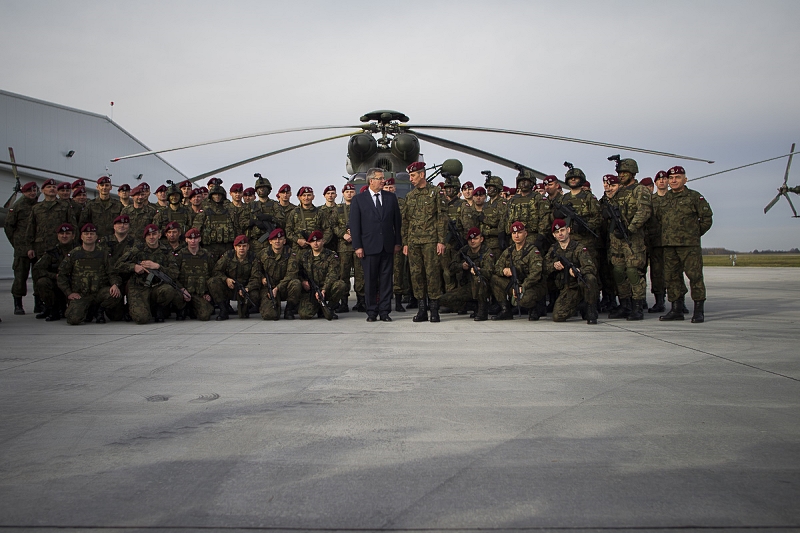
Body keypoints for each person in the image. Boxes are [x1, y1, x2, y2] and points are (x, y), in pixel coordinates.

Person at [659, 166, 713, 323]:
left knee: (695, 276)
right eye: (671, 178)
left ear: (685, 179)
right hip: (669, 245)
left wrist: (694, 234)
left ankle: (698, 310)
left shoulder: (694, 197)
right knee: (672, 277)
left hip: (689, 246)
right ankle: (676, 309)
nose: (673, 180)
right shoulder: (665, 199)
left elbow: (707, 218)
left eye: (677, 177)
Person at [349, 168, 402, 322]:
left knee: (386, 281)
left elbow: (397, 223)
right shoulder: (359, 200)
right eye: (380, 178)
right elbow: (355, 225)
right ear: (371, 181)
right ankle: (371, 311)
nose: (383, 181)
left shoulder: (390, 198)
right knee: (371, 281)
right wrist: (357, 246)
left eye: (383, 178)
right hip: (368, 247)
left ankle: (385, 311)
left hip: (387, 246)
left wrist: (397, 242)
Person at [402, 162, 448, 323]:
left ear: (422, 174)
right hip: (414, 242)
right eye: (410, 175)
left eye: (413, 175)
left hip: (430, 241)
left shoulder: (435, 193)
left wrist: (441, 241)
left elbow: (442, 218)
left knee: (432, 274)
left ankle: (434, 310)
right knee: (416, 275)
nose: (411, 179)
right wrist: (405, 243)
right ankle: (421, 309)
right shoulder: (410, 196)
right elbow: (405, 221)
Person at [116, 224, 185, 324]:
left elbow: (174, 273)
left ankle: (159, 308)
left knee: (168, 290)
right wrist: (134, 267)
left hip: (157, 286)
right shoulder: (137, 249)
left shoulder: (166, 251)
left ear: (159, 235)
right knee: (142, 319)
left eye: (154, 234)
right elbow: (118, 265)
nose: (151, 237)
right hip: (139, 287)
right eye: (148, 234)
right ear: (145, 237)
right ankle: (133, 307)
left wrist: (158, 266)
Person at [58, 223, 122, 325]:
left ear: (96, 237)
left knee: (115, 295)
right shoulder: (74, 254)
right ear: (81, 236)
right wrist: (69, 293)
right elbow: (62, 275)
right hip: (81, 295)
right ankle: (88, 311)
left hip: (99, 293)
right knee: (73, 319)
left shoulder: (103, 253)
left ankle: (99, 310)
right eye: (86, 234)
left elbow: (112, 272)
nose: (89, 236)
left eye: (92, 234)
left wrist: (115, 284)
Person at [544, 219, 599, 324]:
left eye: (562, 230)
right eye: (557, 232)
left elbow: (591, 267)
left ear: (568, 230)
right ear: (554, 235)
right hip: (567, 288)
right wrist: (553, 266)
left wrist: (579, 270)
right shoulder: (553, 249)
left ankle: (590, 308)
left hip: (579, 284)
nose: (560, 234)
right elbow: (544, 267)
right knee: (558, 316)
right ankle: (580, 306)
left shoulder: (579, 248)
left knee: (590, 278)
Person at [491, 221, 546, 321]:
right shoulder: (509, 251)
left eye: (519, 232)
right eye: (514, 233)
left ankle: (535, 307)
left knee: (524, 300)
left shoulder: (532, 251)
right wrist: (503, 271)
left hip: (532, 286)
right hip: (515, 284)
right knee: (494, 278)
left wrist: (523, 287)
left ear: (525, 233)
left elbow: (536, 274)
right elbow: (496, 268)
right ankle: (505, 310)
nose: (516, 235)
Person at [438, 227, 495, 321]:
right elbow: (451, 267)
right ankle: (473, 306)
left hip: (483, 287)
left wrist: (479, 270)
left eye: (475, 238)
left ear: (481, 239)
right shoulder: (464, 251)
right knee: (443, 300)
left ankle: (482, 310)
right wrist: (462, 266)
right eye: (470, 239)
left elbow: (490, 272)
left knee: (478, 279)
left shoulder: (486, 252)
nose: (472, 241)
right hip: (468, 287)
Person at [294, 230, 347, 320]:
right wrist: (303, 281)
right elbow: (297, 272)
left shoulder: (331, 255)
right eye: (313, 241)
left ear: (323, 241)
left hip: (327, 289)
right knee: (304, 315)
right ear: (309, 243)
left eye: (318, 241)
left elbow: (332, 274)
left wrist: (324, 290)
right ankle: (319, 308)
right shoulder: (304, 256)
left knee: (340, 285)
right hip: (311, 290)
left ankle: (330, 307)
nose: (315, 243)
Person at [208, 235, 262, 320]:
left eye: (244, 246)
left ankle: (245, 308)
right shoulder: (228, 256)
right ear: (235, 247)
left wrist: (248, 288)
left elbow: (256, 277)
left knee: (254, 295)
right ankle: (223, 309)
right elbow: (216, 271)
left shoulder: (253, 258)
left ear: (248, 247)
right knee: (212, 282)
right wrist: (226, 279)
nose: (241, 248)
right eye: (239, 246)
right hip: (230, 287)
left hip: (244, 289)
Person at [5, 181, 39, 315]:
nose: (32, 193)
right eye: (29, 191)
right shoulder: (17, 207)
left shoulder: (38, 206)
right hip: (22, 249)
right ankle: (18, 304)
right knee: (20, 277)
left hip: (37, 247)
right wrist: (17, 244)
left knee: (38, 276)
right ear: (24, 192)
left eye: (34, 190)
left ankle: (38, 304)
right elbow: (9, 227)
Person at [32, 223, 76, 321]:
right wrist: (54, 276)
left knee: (75, 315)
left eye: (67, 233)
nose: (64, 236)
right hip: (57, 285)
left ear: (73, 236)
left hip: (74, 285)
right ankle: (52, 309)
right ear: (58, 236)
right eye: (61, 234)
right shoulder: (52, 253)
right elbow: (37, 269)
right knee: (43, 282)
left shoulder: (79, 251)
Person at [257, 228, 301, 320]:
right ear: (270, 241)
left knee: (295, 283)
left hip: (284, 287)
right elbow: (256, 270)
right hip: (269, 287)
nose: (277, 241)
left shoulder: (291, 253)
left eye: (280, 239)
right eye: (274, 239)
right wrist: (262, 278)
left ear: (284, 241)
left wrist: (277, 288)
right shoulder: (263, 254)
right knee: (270, 315)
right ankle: (275, 307)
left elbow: (291, 274)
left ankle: (289, 309)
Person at [174, 227, 215, 321]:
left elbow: (213, 274)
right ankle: (181, 309)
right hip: (183, 292)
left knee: (205, 316)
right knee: (172, 294)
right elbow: (173, 275)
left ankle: (193, 309)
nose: (193, 241)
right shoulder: (180, 255)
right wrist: (181, 289)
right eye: (190, 238)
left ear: (199, 239)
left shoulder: (206, 255)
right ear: (186, 240)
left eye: (195, 238)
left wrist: (208, 293)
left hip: (199, 293)